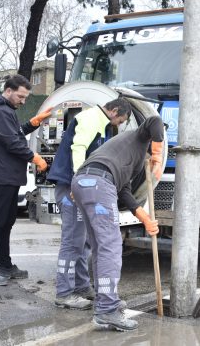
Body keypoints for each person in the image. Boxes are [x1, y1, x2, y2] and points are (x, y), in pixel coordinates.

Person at [71, 115, 164, 331]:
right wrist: (158, 156)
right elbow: (154, 121)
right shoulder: (138, 136)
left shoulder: (127, 154)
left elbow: (124, 191)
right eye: (157, 143)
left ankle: (105, 303)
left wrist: (145, 219)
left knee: (100, 246)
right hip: (99, 183)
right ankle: (107, 309)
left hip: (82, 182)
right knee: (111, 247)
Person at [46, 99, 132, 309]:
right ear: (114, 111)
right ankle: (64, 293)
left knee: (82, 240)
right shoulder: (91, 118)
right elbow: (79, 147)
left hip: (77, 186)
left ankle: (82, 286)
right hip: (71, 187)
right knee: (72, 241)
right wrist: (78, 181)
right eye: (121, 120)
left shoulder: (102, 124)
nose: (120, 124)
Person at [0, 74, 51, 286]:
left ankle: (5, 266)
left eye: (25, 97)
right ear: (8, 91)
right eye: (20, 96)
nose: (23, 101)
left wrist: (33, 123)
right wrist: (35, 157)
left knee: (6, 222)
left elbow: (15, 134)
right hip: (2, 175)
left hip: (8, 175)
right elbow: (12, 143)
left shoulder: (5, 110)